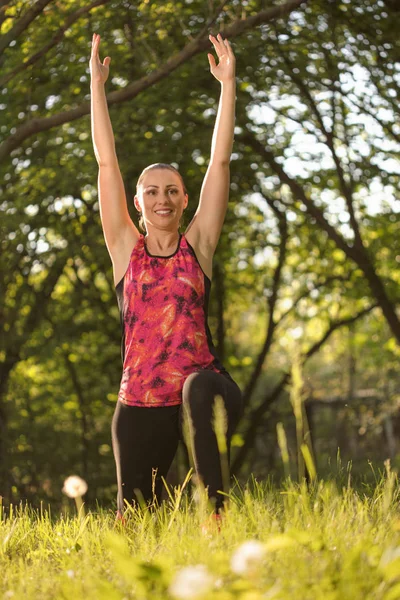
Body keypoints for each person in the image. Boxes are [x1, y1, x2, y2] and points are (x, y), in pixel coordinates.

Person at [89, 31, 243, 525]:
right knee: (131, 520)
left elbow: (219, 162)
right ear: (138, 203)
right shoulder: (123, 249)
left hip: (203, 388)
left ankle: (216, 521)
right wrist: (96, 86)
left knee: (196, 388)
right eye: (151, 191)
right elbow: (106, 161)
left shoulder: (198, 244)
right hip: (141, 397)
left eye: (172, 191)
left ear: (184, 198)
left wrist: (228, 85)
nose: (162, 199)